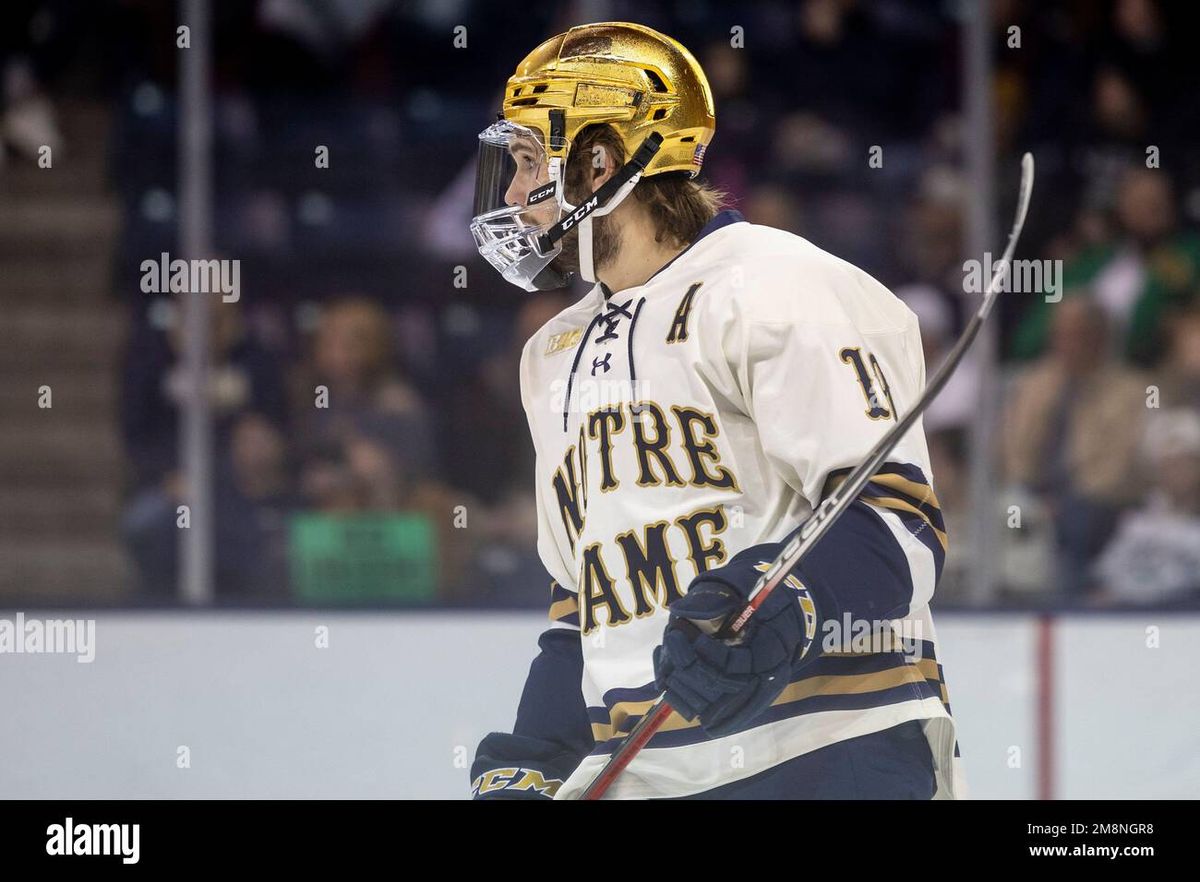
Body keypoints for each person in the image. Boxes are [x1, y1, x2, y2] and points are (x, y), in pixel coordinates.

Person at [468, 22, 959, 800]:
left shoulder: (778, 285)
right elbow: (582, 606)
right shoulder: (550, 354)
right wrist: (539, 748)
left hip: (827, 748)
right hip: (647, 777)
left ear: (599, 160)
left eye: (530, 161)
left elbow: (901, 526)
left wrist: (783, 602)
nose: (512, 195)